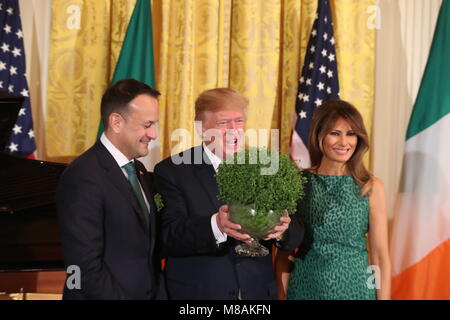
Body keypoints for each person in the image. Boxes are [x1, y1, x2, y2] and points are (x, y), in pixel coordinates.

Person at [153, 88, 291, 300]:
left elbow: (298, 232)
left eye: (239, 121)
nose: (233, 130)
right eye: (223, 123)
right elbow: (168, 237)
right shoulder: (172, 171)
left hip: (257, 295)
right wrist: (216, 226)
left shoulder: (265, 167)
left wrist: (282, 230)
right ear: (201, 128)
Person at [56, 79, 165, 299]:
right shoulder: (83, 175)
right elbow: (84, 268)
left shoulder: (139, 171)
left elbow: (148, 252)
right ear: (116, 122)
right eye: (147, 125)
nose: (154, 134)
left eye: (155, 125)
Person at [275, 99, 391, 300]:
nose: (344, 143)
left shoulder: (371, 187)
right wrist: (282, 295)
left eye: (351, 134)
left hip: (357, 291)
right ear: (319, 135)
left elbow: (380, 257)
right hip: (305, 289)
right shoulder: (298, 183)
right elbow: (283, 254)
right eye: (335, 133)